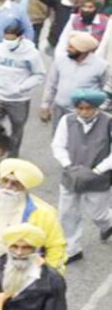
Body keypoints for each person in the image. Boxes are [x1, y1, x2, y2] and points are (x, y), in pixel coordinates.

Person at [50, 88, 112, 263]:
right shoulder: (67, 120)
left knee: (98, 214)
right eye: (80, 108)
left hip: (98, 177)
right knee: (67, 213)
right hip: (71, 174)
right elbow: (58, 145)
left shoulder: (108, 122)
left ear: (97, 108)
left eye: (88, 108)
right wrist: (67, 164)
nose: (84, 112)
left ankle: (108, 224)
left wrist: (98, 170)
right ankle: (72, 249)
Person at [0, 20, 46, 158]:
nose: (8, 41)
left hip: (19, 100)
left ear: (20, 37)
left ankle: (13, 156)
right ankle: (3, 143)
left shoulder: (31, 53)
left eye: (11, 39)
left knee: (17, 129)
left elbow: (39, 75)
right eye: (5, 38)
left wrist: (21, 88)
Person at [40, 32, 109, 130]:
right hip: (60, 109)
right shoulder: (60, 60)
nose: (68, 49)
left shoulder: (101, 66)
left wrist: (98, 111)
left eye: (72, 47)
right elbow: (51, 84)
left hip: (84, 113)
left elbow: (106, 90)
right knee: (59, 140)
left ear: (83, 50)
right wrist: (45, 106)